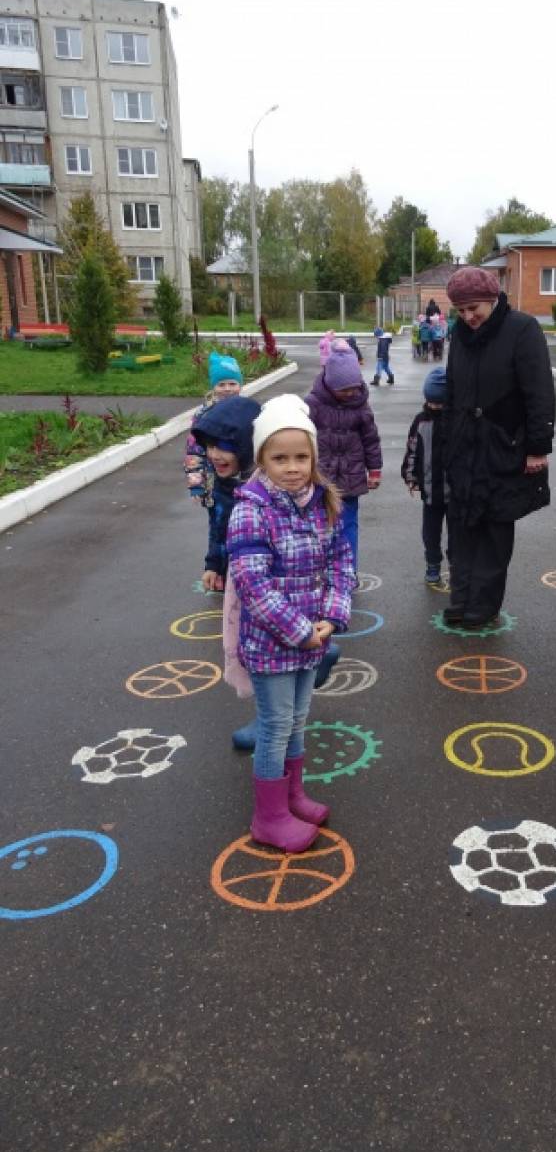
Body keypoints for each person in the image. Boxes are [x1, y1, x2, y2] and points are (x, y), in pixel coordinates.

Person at [226, 394, 356, 853]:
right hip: (272, 644)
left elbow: (341, 562)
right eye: (280, 458)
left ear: (313, 457)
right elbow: (253, 585)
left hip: (312, 638)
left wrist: (332, 616)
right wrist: (301, 632)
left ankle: (293, 795)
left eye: (302, 457)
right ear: (262, 459)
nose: (293, 467)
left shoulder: (320, 502)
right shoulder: (251, 509)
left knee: (298, 720)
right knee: (276, 724)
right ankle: (269, 815)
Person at [442, 266, 555, 630]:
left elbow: (539, 392)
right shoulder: (460, 334)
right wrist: (448, 437)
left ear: (492, 300)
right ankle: (460, 599)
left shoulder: (522, 329)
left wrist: (537, 447)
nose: (467, 317)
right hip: (464, 446)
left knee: (494, 527)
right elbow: (452, 389)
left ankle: (483, 605)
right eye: (460, 310)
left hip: (503, 445)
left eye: (473, 308)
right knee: (462, 523)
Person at [190, 395, 262, 752]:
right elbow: (218, 525)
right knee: (248, 644)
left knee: (262, 647)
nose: (215, 455)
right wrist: (213, 564)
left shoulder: (267, 483)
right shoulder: (225, 483)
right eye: (210, 446)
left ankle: (268, 719)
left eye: (225, 446)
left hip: (271, 581)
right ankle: (270, 711)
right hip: (240, 580)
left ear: (248, 445)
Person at [307, 342, 382, 574]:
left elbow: (371, 439)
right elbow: (302, 439)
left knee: (348, 525)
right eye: (344, 389)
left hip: (351, 476)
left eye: (354, 388)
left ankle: (348, 571)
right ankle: (320, 570)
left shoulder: (360, 405)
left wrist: (374, 470)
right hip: (322, 477)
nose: (350, 393)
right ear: (330, 384)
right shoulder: (313, 404)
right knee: (319, 526)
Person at [401, 367, 449, 584]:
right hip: (430, 491)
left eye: (440, 403)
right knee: (430, 533)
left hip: (455, 491)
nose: (435, 407)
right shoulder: (420, 421)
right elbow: (412, 450)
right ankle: (432, 563)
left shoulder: (456, 420)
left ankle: (456, 564)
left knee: (458, 534)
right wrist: (411, 477)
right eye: (431, 402)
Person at [182, 352, 243, 507]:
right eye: (221, 385)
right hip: (215, 483)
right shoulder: (204, 415)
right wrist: (196, 484)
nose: (227, 389)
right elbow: (194, 451)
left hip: (244, 481)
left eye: (232, 384)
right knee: (220, 518)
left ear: (240, 385)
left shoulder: (246, 411)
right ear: (213, 387)